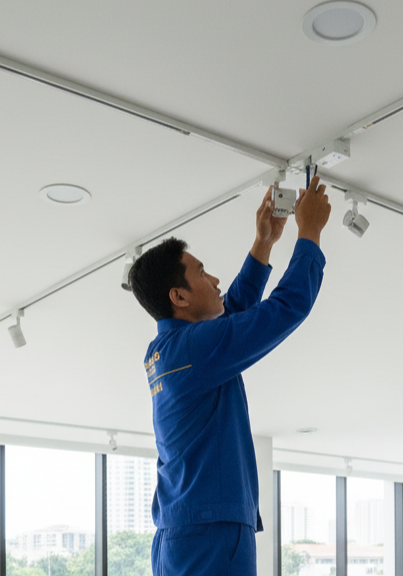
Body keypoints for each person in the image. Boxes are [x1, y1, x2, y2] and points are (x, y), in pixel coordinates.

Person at [127, 176, 331, 576]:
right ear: (179, 297)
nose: (215, 280)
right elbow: (284, 309)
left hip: (184, 534)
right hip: (209, 533)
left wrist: (264, 242)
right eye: (202, 273)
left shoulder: (167, 350)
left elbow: (230, 316)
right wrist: (309, 233)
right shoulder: (193, 349)